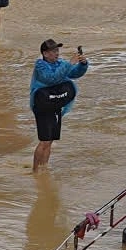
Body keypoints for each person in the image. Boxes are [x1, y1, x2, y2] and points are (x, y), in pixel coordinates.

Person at [29, 38, 90, 171]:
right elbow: (52, 78)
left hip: (54, 104)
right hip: (42, 106)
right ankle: (35, 171)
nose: (57, 53)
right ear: (45, 54)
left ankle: (44, 169)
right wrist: (69, 63)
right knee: (44, 141)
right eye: (53, 51)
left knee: (50, 141)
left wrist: (82, 64)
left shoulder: (60, 63)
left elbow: (74, 73)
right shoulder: (40, 66)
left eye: (57, 50)